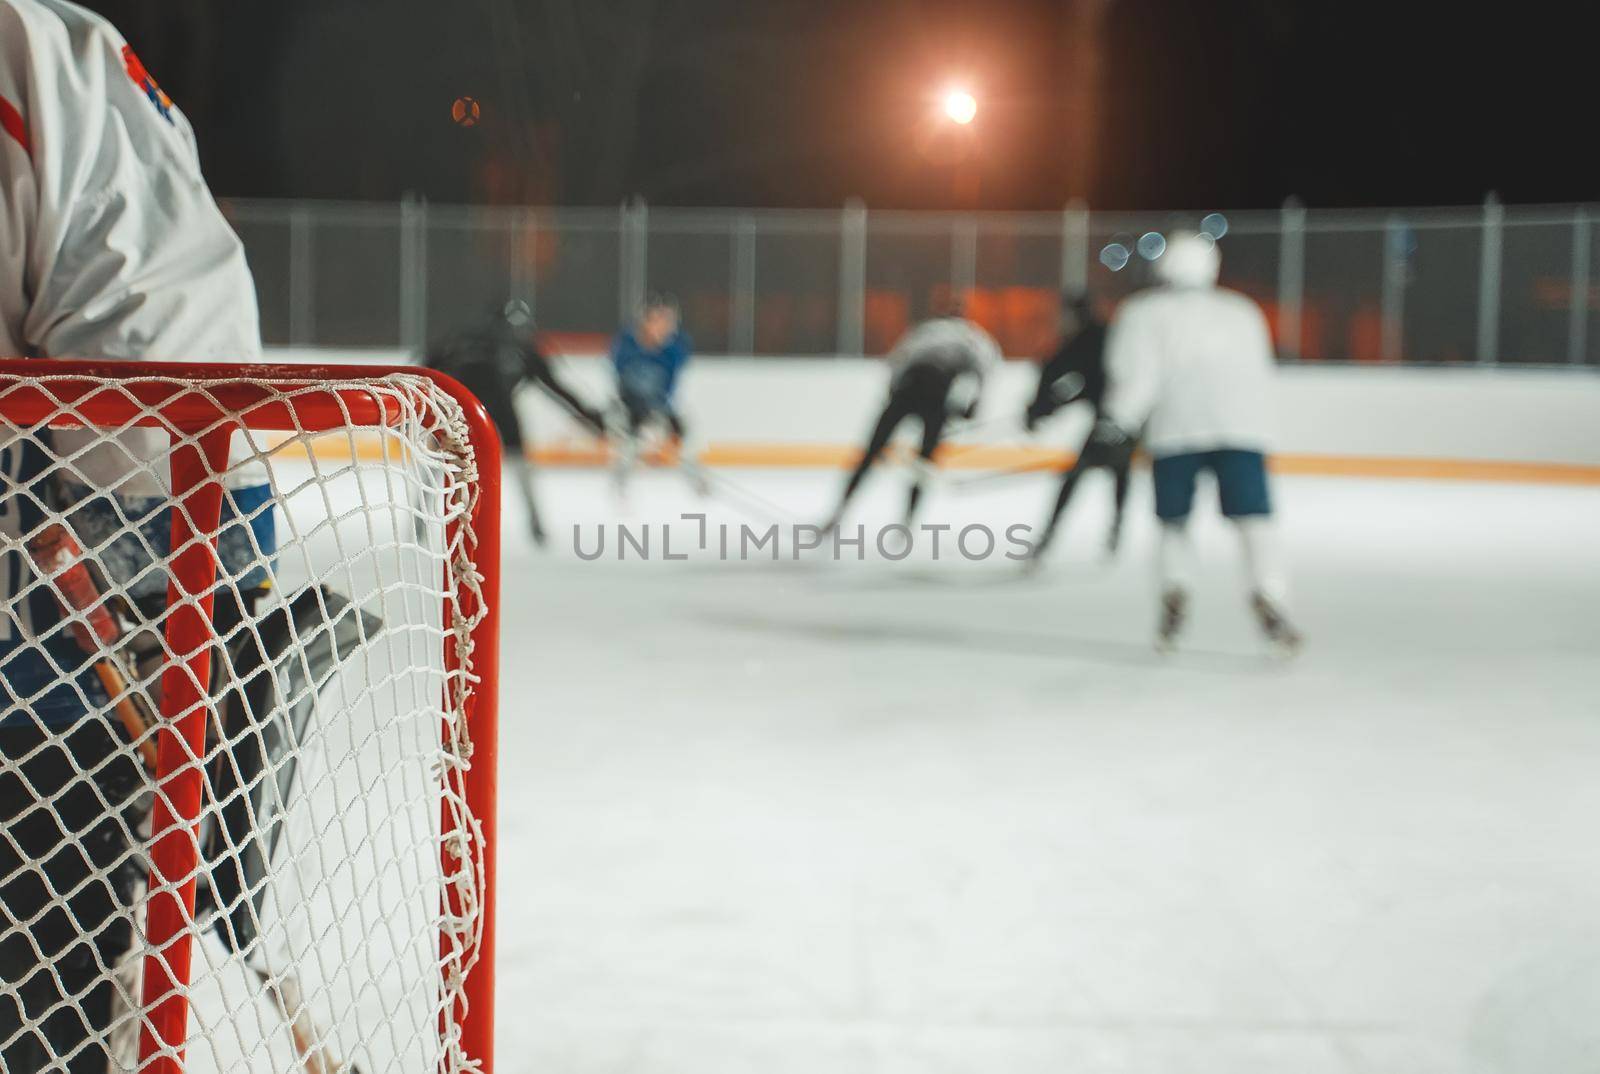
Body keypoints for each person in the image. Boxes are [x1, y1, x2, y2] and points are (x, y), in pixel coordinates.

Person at [2, 1, 271, 1069]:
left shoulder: (31, 61)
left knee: (63, 1004)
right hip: (183, 544)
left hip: (104, 578)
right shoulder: (61, 42)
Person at [1098, 231, 1303, 654]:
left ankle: (1175, 590)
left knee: (1174, 521)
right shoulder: (1242, 311)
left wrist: (1117, 421)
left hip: (1176, 429)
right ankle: (1269, 592)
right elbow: (1259, 372)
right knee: (1254, 520)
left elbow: (1137, 374)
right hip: (1242, 429)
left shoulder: (1144, 312)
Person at [422, 299, 606, 545]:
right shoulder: (521, 346)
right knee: (518, 459)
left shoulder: (461, 338)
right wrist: (590, 418)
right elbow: (555, 388)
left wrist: (415, 412)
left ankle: (419, 522)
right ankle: (536, 525)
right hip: (496, 404)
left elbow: (424, 370)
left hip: (456, 403)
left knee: (440, 461)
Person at [823, 310, 1001, 531]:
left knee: (871, 454)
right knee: (924, 463)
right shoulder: (975, 338)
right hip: (937, 391)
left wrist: (893, 399)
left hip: (909, 386)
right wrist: (972, 408)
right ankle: (907, 524)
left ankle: (839, 513)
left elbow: (896, 361)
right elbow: (982, 372)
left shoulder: (925, 331)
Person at [1023, 291, 1131, 561]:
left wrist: (1040, 409)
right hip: (1126, 417)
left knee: (1077, 476)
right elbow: (1087, 386)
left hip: (1114, 418)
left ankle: (1049, 539)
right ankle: (1115, 535)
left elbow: (1054, 371)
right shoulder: (1109, 335)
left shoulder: (1085, 338)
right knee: (1119, 472)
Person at [609, 292, 707, 495]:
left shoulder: (675, 349)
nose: (664, 326)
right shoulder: (626, 344)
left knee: (684, 433)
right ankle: (620, 482)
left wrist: (658, 409)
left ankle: (697, 479)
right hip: (631, 403)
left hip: (660, 403)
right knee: (630, 440)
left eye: (668, 320)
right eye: (658, 319)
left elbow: (670, 383)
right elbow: (620, 378)